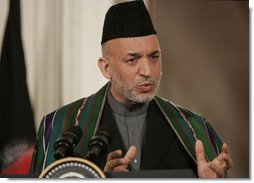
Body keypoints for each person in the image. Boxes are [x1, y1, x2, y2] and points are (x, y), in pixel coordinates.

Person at [29, 0, 232, 178]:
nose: (147, 71)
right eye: (132, 59)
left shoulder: (194, 127)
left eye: (154, 57)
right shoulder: (58, 125)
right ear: (106, 68)